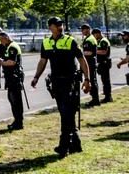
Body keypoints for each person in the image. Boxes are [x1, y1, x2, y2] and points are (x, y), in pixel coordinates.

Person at [31, 17, 91, 157]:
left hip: (70, 82)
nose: (60, 27)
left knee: (66, 113)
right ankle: (76, 144)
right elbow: (43, 61)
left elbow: (82, 60)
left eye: (61, 24)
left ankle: (64, 146)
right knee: (66, 113)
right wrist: (36, 77)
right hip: (56, 82)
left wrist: (87, 79)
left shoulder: (70, 41)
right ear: (50, 27)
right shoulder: (47, 42)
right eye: (57, 25)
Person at [0, 32, 24, 130]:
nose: (1, 42)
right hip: (11, 77)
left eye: (1, 40)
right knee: (12, 99)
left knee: (15, 100)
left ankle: (18, 122)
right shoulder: (9, 46)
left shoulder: (12, 47)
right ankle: (17, 121)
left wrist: (1, 62)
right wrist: (2, 60)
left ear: (6, 38)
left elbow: (12, 62)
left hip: (14, 77)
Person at [80, 24, 100, 107]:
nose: (82, 31)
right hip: (91, 62)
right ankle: (95, 99)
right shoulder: (91, 38)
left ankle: (95, 100)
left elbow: (90, 52)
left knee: (91, 80)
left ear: (88, 29)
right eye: (82, 29)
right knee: (93, 80)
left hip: (90, 63)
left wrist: (79, 54)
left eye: (83, 29)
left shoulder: (89, 40)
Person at [93, 28, 112, 103]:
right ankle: (107, 95)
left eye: (94, 35)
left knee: (106, 80)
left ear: (97, 33)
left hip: (105, 62)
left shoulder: (103, 41)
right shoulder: (100, 41)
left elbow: (104, 52)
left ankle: (108, 97)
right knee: (104, 80)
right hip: (102, 63)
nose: (94, 36)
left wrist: (94, 51)